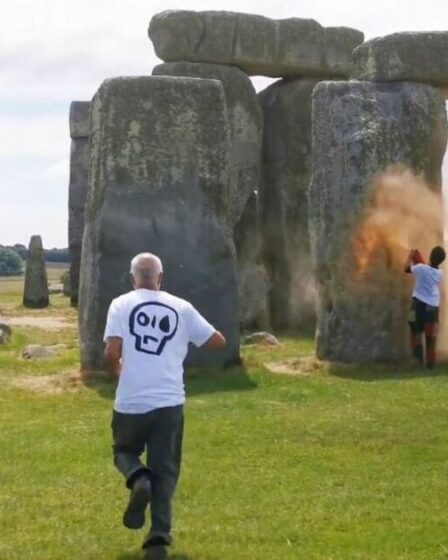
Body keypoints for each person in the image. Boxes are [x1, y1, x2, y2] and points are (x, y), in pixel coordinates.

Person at [104, 252, 226, 559]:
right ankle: (158, 538)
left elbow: (111, 350)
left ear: (133, 278)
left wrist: (119, 371)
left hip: (131, 399)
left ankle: (137, 478)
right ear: (160, 277)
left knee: (124, 452)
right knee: (166, 470)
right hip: (169, 401)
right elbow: (217, 341)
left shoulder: (120, 304)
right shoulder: (181, 307)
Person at [405, 246, 446, 369]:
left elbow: (407, 269)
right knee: (430, 337)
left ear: (431, 255)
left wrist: (411, 256)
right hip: (432, 308)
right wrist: (419, 258)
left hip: (417, 305)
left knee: (415, 331)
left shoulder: (421, 268)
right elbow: (426, 268)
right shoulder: (439, 273)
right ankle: (430, 366)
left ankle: (417, 361)